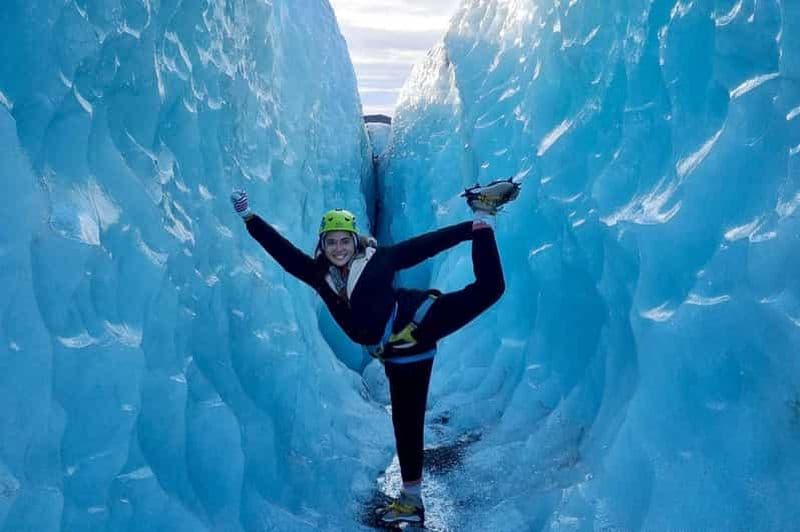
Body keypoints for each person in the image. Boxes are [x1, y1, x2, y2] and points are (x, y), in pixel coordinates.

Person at [231, 179, 520, 525]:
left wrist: (470, 229)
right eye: (331, 241)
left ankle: (484, 215)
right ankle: (411, 502)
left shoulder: (379, 260)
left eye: (344, 241)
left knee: (490, 288)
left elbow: (422, 246)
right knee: (405, 421)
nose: (338, 247)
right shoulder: (320, 275)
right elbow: (286, 255)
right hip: (400, 354)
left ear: (355, 242)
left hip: (420, 319)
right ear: (322, 245)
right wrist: (250, 218)